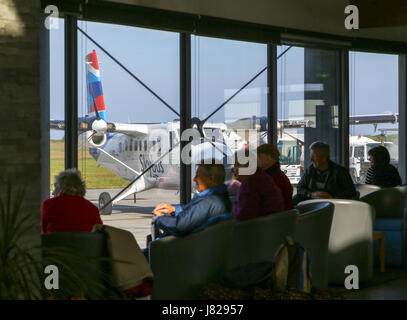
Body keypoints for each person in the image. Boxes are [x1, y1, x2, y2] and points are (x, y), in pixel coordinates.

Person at [151, 162, 232, 237]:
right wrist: (174, 209)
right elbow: (195, 213)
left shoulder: (207, 202)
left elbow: (179, 226)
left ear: (211, 179)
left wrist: (159, 219)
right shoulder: (221, 197)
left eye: (197, 175)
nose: (194, 179)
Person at [41, 169, 103, 233]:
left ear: (60, 187)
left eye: (55, 187)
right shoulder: (93, 209)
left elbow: (44, 233)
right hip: (83, 242)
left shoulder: (48, 204)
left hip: (55, 242)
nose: (53, 193)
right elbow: (100, 233)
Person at [233, 149, 284, 221]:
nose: (234, 169)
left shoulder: (250, 183)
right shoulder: (264, 178)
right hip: (270, 227)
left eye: (236, 165)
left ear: (247, 165)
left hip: (255, 229)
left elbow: (243, 216)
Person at [257, 144, 294, 210]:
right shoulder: (280, 176)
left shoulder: (271, 179)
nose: (256, 160)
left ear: (268, 159)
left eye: (259, 157)